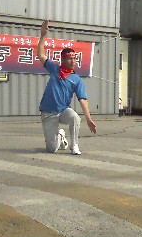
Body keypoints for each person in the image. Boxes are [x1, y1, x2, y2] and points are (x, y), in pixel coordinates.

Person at [37, 20, 97, 155]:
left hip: (63, 110)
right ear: (63, 60)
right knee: (52, 149)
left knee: (75, 117)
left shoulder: (77, 80)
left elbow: (83, 100)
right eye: (70, 59)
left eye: (74, 59)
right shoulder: (54, 69)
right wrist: (43, 36)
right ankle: (60, 135)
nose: (73, 61)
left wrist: (88, 119)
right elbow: (40, 55)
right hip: (48, 113)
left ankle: (74, 146)